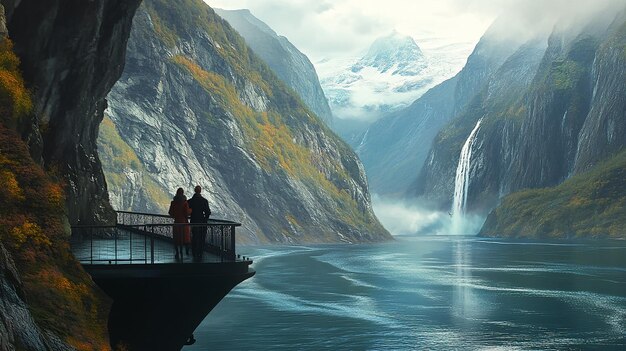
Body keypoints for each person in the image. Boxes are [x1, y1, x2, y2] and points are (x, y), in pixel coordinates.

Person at [187, 185, 211, 260]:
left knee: (194, 236)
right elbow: (208, 212)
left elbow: (187, 212)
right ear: (200, 191)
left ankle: (194, 251)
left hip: (193, 221)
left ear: (194, 191)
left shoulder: (190, 201)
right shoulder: (204, 201)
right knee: (201, 237)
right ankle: (200, 252)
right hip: (202, 222)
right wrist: (205, 219)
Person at [168, 187, 191, 260]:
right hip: (184, 223)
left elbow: (171, 213)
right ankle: (186, 251)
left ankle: (177, 252)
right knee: (186, 238)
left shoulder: (173, 202)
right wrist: (191, 210)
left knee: (177, 238)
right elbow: (187, 212)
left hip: (176, 222)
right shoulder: (185, 203)